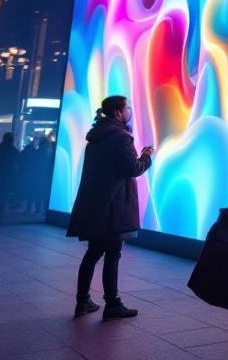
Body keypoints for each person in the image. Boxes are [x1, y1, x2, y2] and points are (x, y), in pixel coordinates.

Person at [66, 96, 154, 320]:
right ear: (117, 112)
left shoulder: (97, 136)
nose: (130, 111)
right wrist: (146, 156)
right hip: (113, 207)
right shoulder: (120, 137)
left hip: (96, 204)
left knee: (93, 253)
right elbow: (132, 168)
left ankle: (83, 301)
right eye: (127, 107)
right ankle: (113, 304)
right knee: (113, 255)